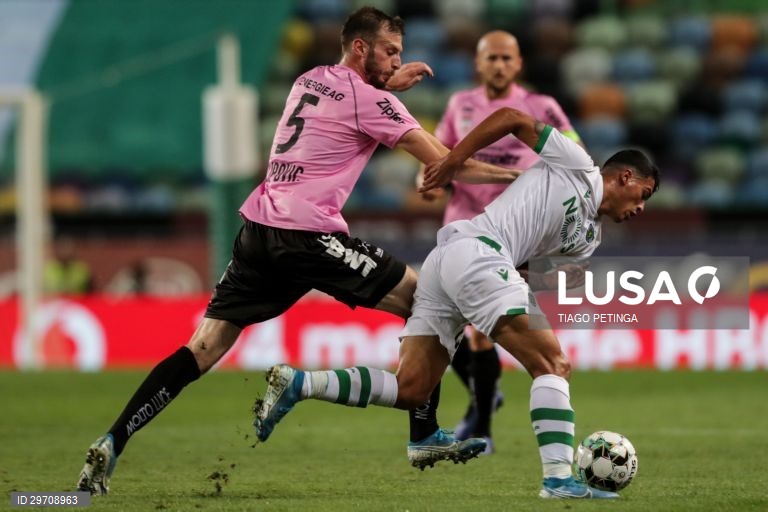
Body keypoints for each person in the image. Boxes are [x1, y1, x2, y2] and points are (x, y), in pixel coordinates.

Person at [75, 6, 518, 496]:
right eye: (390, 52)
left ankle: (113, 439)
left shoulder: (309, 79)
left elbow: (348, 99)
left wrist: (387, 84)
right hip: (308, 235)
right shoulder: (372, 101)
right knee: (432, 299)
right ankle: (423, 434)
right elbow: (450, 164)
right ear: (361, 48)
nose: (398, 61)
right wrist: (522, 177)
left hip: (259, 229)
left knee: (202, 348)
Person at [254, 107, 659, 498]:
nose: (642, 208)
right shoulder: (577, 164)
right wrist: (452, 161)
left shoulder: (589, 238)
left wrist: (551, 277)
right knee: (553, 365)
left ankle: (301, 384)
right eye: (644, 194)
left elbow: (537, 272)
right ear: (625, 177)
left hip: (456, 263)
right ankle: (557, 480)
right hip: (478, 251)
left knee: (411, 389)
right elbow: (512, 118)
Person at [422, 30, 582, 454]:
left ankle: (483, 426)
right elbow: (439, 155)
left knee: (479, 333)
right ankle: (484, 394)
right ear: (478, 64)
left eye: (506, 58)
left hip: (515, 236)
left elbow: (575, 153)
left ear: (518, 64)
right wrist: (432, 180)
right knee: (445, 327)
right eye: (491, 58)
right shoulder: (460, 105)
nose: (498, 65)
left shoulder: (542, 107)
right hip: (462, 225)